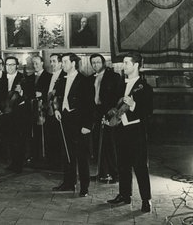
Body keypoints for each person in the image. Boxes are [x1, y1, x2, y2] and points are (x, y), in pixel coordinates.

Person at [107, 52, 153, 213]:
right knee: (123, 165)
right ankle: (124, 195)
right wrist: (109, 115)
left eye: (126, 63)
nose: (123, 66)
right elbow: (113, 103)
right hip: (120, 131)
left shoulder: (145, 87)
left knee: (140, 167)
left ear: (135, 65)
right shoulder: (120, 84)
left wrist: (133, 105)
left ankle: (146, 200)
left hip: (136, 133)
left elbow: (148, 111)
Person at [52, 53, 92, 197]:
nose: (62, 64)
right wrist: (56, 110)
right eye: (62, 62)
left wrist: (87, 125)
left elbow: (89, 105)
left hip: (79, 121)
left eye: (64, 62)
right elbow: (56, 98)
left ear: (73, 63)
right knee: (66, 153)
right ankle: (68, 182)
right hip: (65, 119)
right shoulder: (61, 79)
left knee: (81, 155)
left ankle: (84, 187)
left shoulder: (84, 80)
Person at [89, 54, 122, 183]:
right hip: (96, 113)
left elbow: (118, 95)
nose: (95, 65)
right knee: (99, 143)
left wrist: (113, 110)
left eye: (98, 62)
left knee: (110, 144)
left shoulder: (113, 77)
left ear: (103, 63)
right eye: (93, 63)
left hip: (109, 112)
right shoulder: (92, 78)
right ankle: (102, 173)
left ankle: (115, 174)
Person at [25, 55, 52, 168]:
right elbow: (27, 91)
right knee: (33, 132)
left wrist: (43, 95)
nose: (35, 65)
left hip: (43, 108)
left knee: (44, 132)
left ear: (42, 63)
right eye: (33, 63)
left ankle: (45, 156)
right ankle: (34, 155)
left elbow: (50, 92)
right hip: (32, 108)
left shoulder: (49, 76)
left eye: (37, 63)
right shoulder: (30, 77)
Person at [4, 56, 27, 173]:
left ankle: (19, 164)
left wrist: (21, 92)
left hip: (18, 114)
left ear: (17, 66)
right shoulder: (3, 78)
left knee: (18, 140)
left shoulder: (22, 78)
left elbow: (28, 95)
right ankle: (13, 162)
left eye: (12, 65)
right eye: (7, 65)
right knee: (9, 139)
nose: (10, 67)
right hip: (6, 112)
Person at [46, 53, 67, 170]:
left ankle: (59, 163)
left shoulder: (63, 75)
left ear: (60, 63)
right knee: (52, 136)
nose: (52, 64)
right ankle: (53, 161)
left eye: (54, 61)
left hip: (58, 110)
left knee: (59, 137)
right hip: (50, 109)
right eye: (51, 61)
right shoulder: (52, 75)